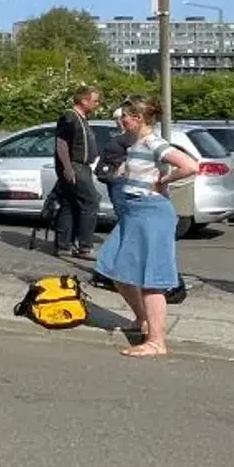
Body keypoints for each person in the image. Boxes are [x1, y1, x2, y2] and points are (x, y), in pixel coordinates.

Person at [96, 96, 197, 358]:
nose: (121, 120)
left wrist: (165, 179)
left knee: (151, 280)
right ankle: (142, 320)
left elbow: (189, 166)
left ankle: (156, 341)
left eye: (125, 116)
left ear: (138, 118)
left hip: (151, 213)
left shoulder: (154, 142)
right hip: (133, 212)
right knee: (115, 268)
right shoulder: (136, 143)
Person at [54, 86, 103, 259]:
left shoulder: (81, 118)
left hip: (80, 166)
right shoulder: (70, 117)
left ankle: (64, 245)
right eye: (95, 100)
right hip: (76, 166)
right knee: (90, 202)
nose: (98, 104)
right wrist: (67, 167)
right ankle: (85, 247)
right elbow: (62, 142)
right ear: (84, 100)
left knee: (70, 204)